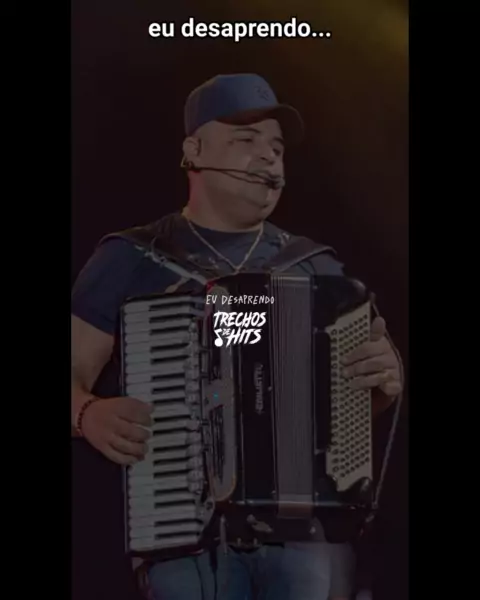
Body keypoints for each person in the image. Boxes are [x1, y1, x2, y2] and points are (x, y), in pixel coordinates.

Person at [71, 73, 403, 600]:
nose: (268, 156)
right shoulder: (131, 258)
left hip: (308, 538)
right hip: (184, 538)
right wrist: (87, 413)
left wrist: (383, 380)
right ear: (194, 151)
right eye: (245, 139)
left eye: (277, 147)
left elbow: (355, 412)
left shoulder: (317, 269)